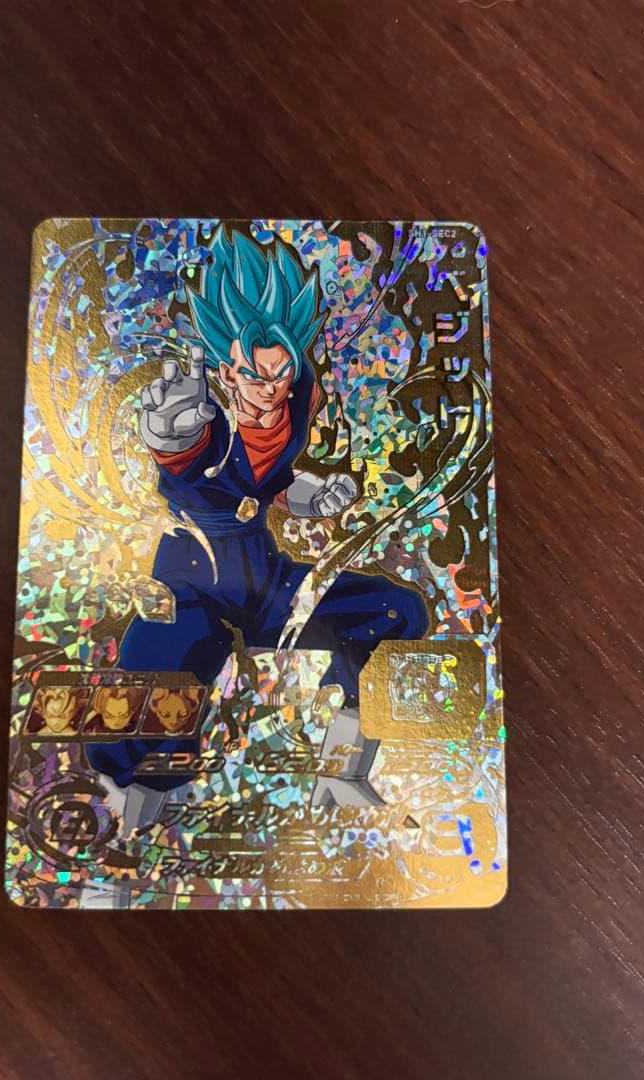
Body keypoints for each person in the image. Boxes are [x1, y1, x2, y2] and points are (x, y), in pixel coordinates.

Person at [86, 226, 427, 834]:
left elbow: (270, 483)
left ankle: (342, 771)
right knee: (154, 699)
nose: (269, 391)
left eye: (280, 373)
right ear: (226, 370)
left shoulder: (293, 403)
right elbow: (187, 464)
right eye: (254, 376)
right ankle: (128, 805)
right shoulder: (201, 420)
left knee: (395, 612)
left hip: (264, 584)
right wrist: (169, 439)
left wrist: (313, 495)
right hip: (193, 587)